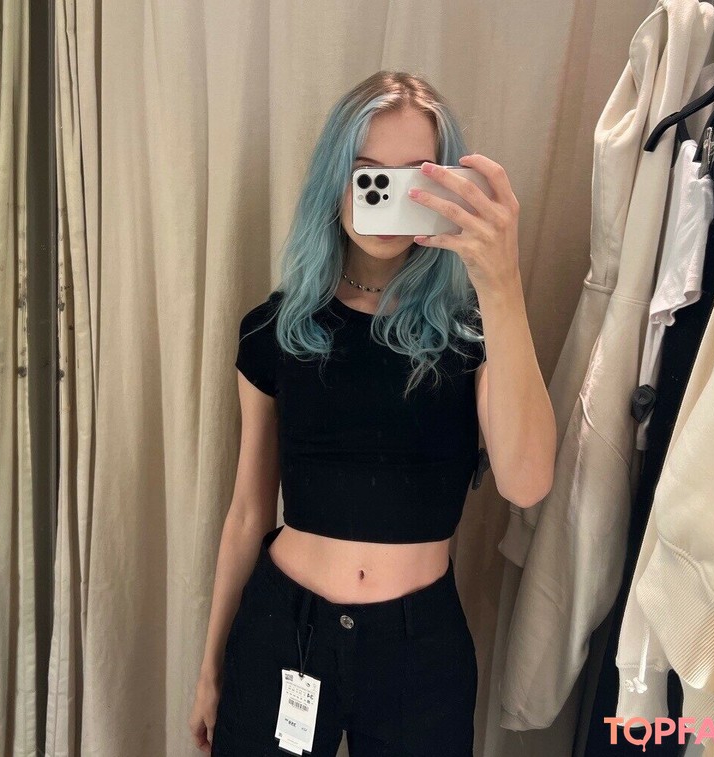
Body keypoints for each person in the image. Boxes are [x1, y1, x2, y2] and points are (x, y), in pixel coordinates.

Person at [188, 70, 556, 756]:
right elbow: (246, 513)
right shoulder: (276, 328)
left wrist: (501, 282)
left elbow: (528, 482)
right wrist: (210, 669)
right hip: (283, 630)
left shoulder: (474, 337)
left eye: (413, 177)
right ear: (334, 181)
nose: (384, 194)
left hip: (419, 649)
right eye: (365, 174)